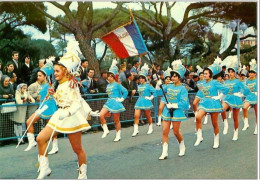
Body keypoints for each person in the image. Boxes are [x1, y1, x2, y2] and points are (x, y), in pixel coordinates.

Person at [36, 40, 92, 179]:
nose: (54, 73)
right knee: (40, 139)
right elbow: (62, 100)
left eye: (57, 71)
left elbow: (76, 103)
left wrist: (67, 112)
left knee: (77, 149)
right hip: (59, 115)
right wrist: (54, 95)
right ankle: (45, 167)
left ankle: (82, 173)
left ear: (65, 71)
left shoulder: (72, 84)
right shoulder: (60, 84)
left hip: (70, 117)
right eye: (54, 71)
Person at [157, 59, 189, 159]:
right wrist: (158, 86)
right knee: (164, 131)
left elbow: (184, 103)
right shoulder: (169, 86)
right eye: (172, 76)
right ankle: (164, 152)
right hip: (167, 110)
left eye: (175, 76)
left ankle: (182, 145)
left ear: (179, 78)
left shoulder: (183, 89)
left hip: (177, 111)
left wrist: (174, 105)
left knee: (175, 131)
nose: (173, 78)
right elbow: (159, 93)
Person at [194, 58, 229, 149]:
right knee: (198, 117)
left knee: (214, 123)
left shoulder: (215, 82)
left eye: (206, 74)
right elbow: (200, 93)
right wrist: (197, 100)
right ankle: (199, 136)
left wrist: (219, 97)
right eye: (203, 74)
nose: (204, 75)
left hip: (213, 103)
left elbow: (226, 89)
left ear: (210, 75)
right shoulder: (203, 84)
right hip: (205, 102)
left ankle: (216, 139)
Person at [24, 62, 58, 152]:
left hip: (48, 107)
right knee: (29, 122)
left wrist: (47, 97)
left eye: (40, 76)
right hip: (43, 106)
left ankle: (55, 146)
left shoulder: (48, 85)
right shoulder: (41, 85)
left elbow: (51, 97)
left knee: (48, 126)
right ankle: (32, 142)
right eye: (37, 75)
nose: (38, 77)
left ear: (45, 76)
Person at [221, 56, 250, 140]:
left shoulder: (238, 81)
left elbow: (246, 89)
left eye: (232, 72)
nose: (230, 73)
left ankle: (235, 132)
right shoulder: (226, 82)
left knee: (235, 118)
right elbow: (224, 91)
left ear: (235, 73)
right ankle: (225, 123)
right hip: (227, 98)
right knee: (222, 109)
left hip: (236, 99)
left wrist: (241, 94)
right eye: (229, 72)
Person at [99, 59, 128, 142]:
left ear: (114, 77)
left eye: (111, 76)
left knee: (116, 120)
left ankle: (118, 134)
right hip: (109, 102)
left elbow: (125, 91)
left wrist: (122, 98)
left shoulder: (117, 84)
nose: (109, 77)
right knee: (101, 115)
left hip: (116, 103)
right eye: (108, 76)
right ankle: (106, 130)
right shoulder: (108, 85)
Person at [132, 63, 157, 137]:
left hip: (146, 101)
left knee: (148, 116)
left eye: (142, 78)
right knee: (136, 115)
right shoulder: (139, 86)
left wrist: (150, 97)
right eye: (140, 78)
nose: (140, 79)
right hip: (139, 101)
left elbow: (155, 92)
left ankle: (150, 127)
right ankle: (135, 130)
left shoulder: (148, 85)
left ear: (145, 78)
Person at [242, 59, 257, 134]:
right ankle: (246, 123)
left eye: (252, 73)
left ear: (255, 74)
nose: (250, 74)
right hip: (249, 96)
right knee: (244, 107)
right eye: (250, 73)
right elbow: (245, 90)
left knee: (257, 113)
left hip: (256, 96)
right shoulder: (247, 81)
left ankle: (257, 127)